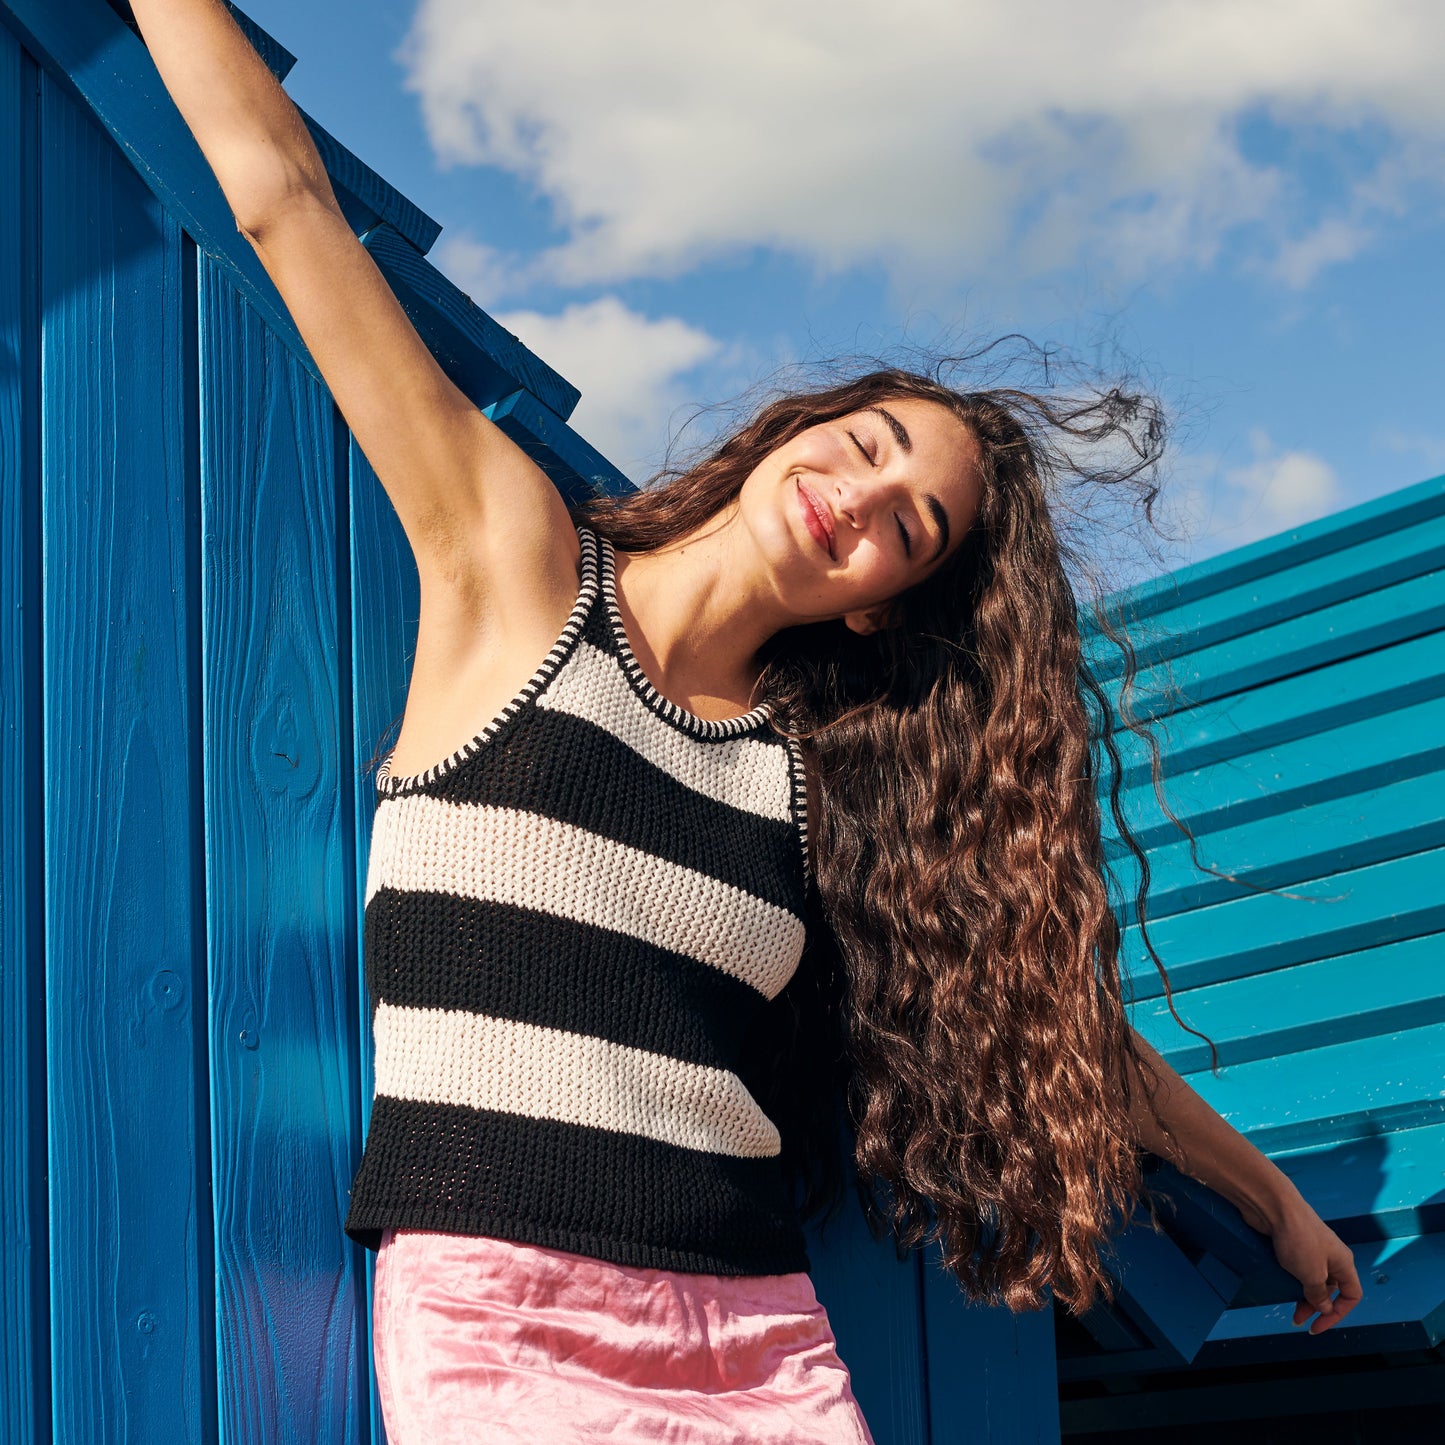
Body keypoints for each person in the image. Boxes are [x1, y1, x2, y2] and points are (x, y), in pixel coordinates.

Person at [131, 2, 1364, 1440]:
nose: (863, 494)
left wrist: (1267, 1193)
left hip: (755, 1341)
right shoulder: (518, 570)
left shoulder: (807, 781)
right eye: (868, 441)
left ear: (877, 602)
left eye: (910, 525)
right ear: (798, 426)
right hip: (504, 1311)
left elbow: (1055, 1019)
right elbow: (284, 203)